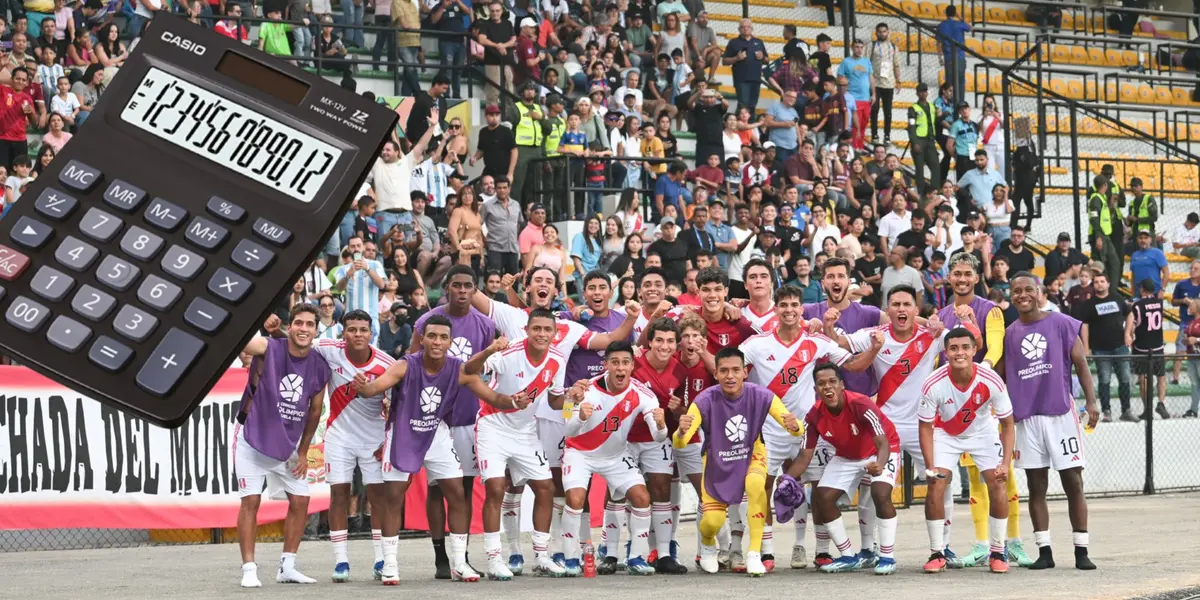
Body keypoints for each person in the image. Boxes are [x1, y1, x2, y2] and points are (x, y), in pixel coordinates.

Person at [355, 316, 514, 583]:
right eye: (432, 336)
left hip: (436, 434)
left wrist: (515, 400)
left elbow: (494, 397)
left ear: (450, 342)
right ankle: (390, 564)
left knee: (456, 494)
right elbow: (374, 388)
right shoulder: (405, 365)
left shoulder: (458, 369)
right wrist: (364, 388)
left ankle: (459, 563)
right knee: (393, 498)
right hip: (403, 433)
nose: (437, 342)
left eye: (443, 337)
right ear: (422, 339)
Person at [740, 284, 872, 570]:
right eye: (783, 305)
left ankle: (818, 549)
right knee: (762, 487)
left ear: (802, 309)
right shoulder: (756, 343)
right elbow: (730, 370)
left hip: (810, 430)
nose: (788, 310)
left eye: (794, 305)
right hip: (769, 430)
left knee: (819, 488)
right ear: (775, 309)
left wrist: (874, 348)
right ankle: (767, 552)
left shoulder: (817, 342)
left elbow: (853, 366)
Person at [674, 347, 803, 576]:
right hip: (717, 464)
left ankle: (753, 553)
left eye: (735, 370)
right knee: (712, 522)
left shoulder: (761, 395)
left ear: (745, 372)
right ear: (716, 374)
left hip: (752, 454)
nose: (730, 376)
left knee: (755, 483)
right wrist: (681, 433)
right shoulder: (704, 399)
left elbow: (793, 427)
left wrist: (795, 426)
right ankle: (707, 545)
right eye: (724, 371)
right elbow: (681, 442)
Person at [1004, 272, 1099, 570]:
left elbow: (1081, 363)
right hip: (1027, 418)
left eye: (1028, 290)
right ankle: (1044, 551)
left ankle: (1081, 551)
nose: (1022, 295)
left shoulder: (1060, 322)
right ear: (1011, 295)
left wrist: (1092, 400)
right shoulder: (1009, 333)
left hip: (1060, 414)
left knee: (1073, 481)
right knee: (1036, 486)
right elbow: (1003, 373)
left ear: (1039, 291)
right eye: (1016, 291)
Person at [235, 305, 330, 588]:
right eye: (298, 323)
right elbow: (242, 340)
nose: (303, 328)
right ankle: (249, 569)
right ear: (290, 326)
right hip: (252, 438)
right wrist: (258, 320)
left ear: (316, 329)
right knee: (251, 501)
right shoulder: (269, 346)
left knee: (301, 501)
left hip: (288, 445)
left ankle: (287, 567)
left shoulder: (319, 365)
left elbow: (315, 411)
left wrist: (302, 452)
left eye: (309, 324)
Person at [410, 265, 497, 571]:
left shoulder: (486, 324)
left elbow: (489, 370)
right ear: (446, 287)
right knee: (437, 487)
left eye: (468, 286)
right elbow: (411, 366)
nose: (462, 291)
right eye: (456, 285)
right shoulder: (427, 321)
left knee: (465, 488)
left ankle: (462, 554)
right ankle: (440, 556)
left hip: (469, 415)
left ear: (475, 289)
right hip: (436, 420)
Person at [559, 341, 667, 576]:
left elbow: (659, 437)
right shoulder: (585, 388)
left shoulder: (643, 394)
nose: (620, 368)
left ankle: (636, 558)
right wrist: (577, 412)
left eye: (625, 363)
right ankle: (570, 558)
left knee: (641, 497)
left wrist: (661, 424)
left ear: (632, 366)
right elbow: (567, 428)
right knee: (576, 499)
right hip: (579, 452)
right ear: (605, 364)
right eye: (615, 362)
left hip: (615, 455)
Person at [782, 361, 900, 575]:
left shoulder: (860, 404)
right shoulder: (814, 415)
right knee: (821, 497)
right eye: (821, 384)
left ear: (842, 385)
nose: (827, 387)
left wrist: (880, 464)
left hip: (882, 450)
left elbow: (882, 442)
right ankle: (848, 555)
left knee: (880, 493)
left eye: (832, 382)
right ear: (816, 390)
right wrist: (787, 479)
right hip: (847, 456)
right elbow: (804, 455)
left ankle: (887, 556)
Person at [303, 311, 394, 583]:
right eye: (352, 329)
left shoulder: (387, 363)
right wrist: (275, 332)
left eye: (363, 330)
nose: (357, 334)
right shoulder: (330, 349)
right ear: (343, 333)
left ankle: (381, 559)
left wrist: (387, 441)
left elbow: (396, 406)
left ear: (371, 333)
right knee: (339, 495)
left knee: (377, 498)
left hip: (374, 440)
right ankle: (341, 561)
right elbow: (298, 343)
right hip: (339, 437)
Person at [917, 328, 1015, 574]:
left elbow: (1008, 423)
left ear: (974, 350)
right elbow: (925, 426)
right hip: (945, 434)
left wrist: (1005, 462)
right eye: (953, 348)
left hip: (982, 432)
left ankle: (997, 551)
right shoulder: (933, 383)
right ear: (946, 352)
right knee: (936, 483)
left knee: (997, 482)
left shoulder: (991, 380)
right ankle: (937, 552)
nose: (959, 353)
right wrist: (930, 466)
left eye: (964, 347)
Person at [1079, 272, 1135, 422]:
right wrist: (1086, 347)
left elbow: (1129, 314)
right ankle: (1106, 411)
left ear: (1108, 283)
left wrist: (1127, 334)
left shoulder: (1117, 298)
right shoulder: (1089, 304)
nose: (1099, 284)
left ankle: (1126, 410)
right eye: (1096, 282)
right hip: (1100, 349)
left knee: (1125, 378)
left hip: (1120, 346)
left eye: (1102, 281)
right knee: (1104, 380)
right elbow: (1084, 325)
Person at [1130, 278, 1171, 420]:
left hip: (1142, 346)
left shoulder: (1137, 305)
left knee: (1144, 378)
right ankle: (1161, 402)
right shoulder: (1159, 304)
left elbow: (1134, 325)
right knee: (1161, 376)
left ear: (1141, 289)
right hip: (1158, 345)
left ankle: (1147, 407)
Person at [907, 83, 940, 193]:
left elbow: (935, 121)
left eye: (925, 91)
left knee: (935, 165)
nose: (923, 93)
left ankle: (935, 189)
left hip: (930, 140)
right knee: (919, 168)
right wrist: (915, 142)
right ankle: (920, 191)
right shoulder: (913, 108)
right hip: (919, 140)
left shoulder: (931, 106)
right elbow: (911, 126)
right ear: (917, 93)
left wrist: (943, 115)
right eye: (921, 91)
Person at [1129, 230, 1169, 295]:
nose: (1143, 240)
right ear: (1137, 239)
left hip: (1154, 293)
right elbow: (1133, 275)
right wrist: (1133, 294)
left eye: (1145, 238)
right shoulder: (1134, 255)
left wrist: (1162, 290)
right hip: (1138, 294)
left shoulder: (1157, 253)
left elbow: (1166, 272)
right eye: (1141, 238)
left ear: (1150, 239)